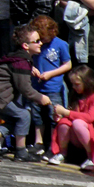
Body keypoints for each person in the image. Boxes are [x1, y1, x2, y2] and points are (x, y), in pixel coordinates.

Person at [0, 24, 51, 162]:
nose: (40, 43)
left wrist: (30, 67)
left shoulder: (21, 59)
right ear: (26, 46)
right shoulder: (22, 62)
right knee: (23, 115)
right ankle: (21, 152)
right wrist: (41, 98)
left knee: (14, 119)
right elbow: (25, 89)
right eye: (37, 41)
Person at [47, 65, 94, 170]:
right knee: (64, 123)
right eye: (73, 84)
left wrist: (66, 112)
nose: (74, 87)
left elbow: (90, 117)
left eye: (77, 84)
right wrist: (60, 116)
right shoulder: (76, 95)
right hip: (78, 135)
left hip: (93, 135)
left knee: (78, 123)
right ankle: (62, 154)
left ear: (87, 82)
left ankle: (91, 157)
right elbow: (72, 115)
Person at [29, 15, 71, 158]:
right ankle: (39, 143)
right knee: (37, 116)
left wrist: (51, 73)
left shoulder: (60, 44)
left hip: (53, 87)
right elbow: (27, 58)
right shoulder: (35, 44)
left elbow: (67, 64)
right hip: (37, 86)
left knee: (54, 116)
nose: (43, 42)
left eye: (45, 38)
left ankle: (53, 145)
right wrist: (31, 68)